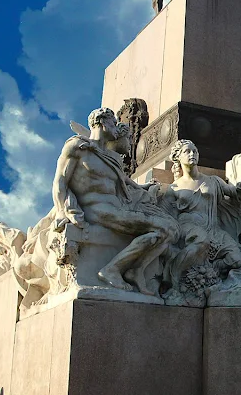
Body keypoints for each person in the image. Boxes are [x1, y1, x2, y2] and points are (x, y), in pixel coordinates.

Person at [52, 108, 179, 295]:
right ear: (102, 123)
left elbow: (125, 183)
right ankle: (113, 269)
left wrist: (144, 188)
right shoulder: (77, 147)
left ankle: (133, 269)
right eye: (113, 123)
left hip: (117, 209)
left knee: (169, 228)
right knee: (165, 228)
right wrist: (62, 211)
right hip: (96, 209)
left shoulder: (112, 157)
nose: (116, 128)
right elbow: (60, 181)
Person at [160, 140, 241, 303]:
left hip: (214, 229)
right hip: (189, 227)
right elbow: (167, 214)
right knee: (202, 241)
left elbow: (234, 193)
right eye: (187, 151)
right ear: (178, 157)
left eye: (195, 151)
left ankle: (213, 271)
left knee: (237, 259)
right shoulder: (174, 188)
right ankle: (173, 282)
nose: (192, 154)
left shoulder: (214, 180)